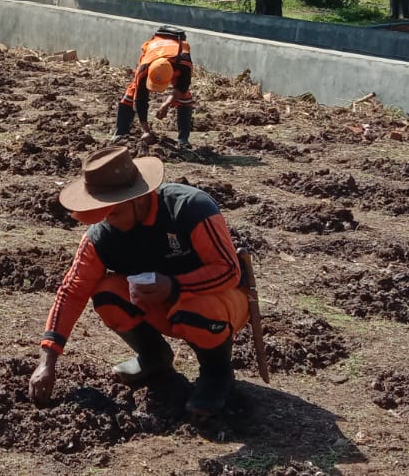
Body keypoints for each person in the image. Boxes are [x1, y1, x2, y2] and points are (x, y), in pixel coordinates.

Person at [29, 146, 252, 419]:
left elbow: (229, 271)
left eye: (112, 211)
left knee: (197, 308)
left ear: (137, 198)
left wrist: (174, 286)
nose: (106, 220)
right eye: (101, 212)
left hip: (221, 304)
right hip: (158, 306)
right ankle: (154, 358)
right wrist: (47, 360)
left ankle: (216, 373)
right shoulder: (102, 234)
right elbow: (73, 290)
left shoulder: (190, 208)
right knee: (107, 293)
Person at [115, 25, 195, 146]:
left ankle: (183, 140)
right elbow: (140, 99)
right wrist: (146, 130)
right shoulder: (144, 69)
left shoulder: (184, 64)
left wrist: (166, 104)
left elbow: (182, 87)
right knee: (132, 92)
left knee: (185, 96)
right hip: (153, 55)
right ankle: (120, 133)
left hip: (175, 60)